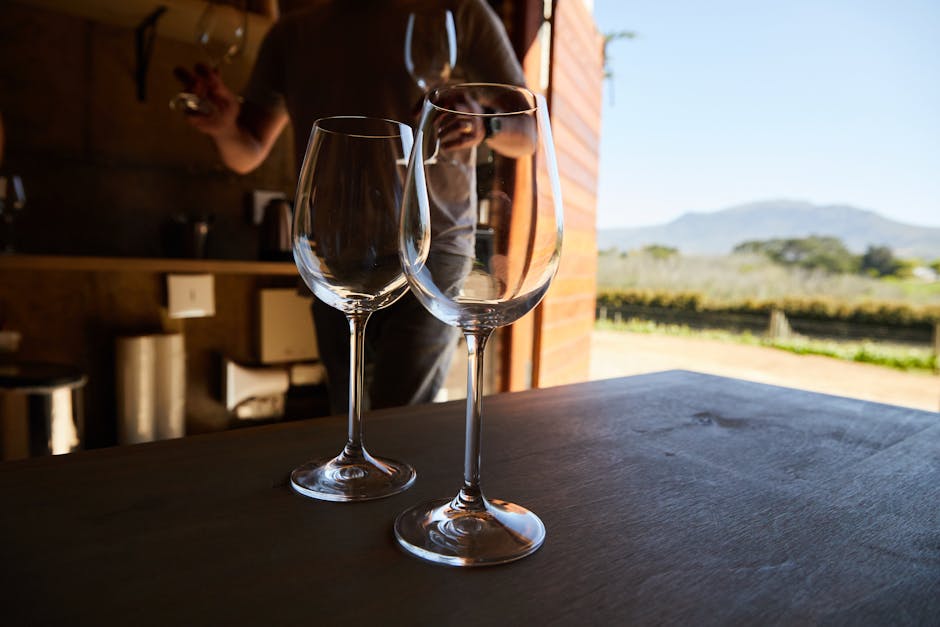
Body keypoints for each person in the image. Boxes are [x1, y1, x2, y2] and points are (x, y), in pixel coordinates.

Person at [178, 0, 526, 413]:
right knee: (346, 415)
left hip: (433, 250)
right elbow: (247, 152)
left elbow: (528, 131)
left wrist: (487, 121)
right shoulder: (291, 33)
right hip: (334, 250)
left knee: (400, 418)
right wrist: (224, 128)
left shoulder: (459, 11)